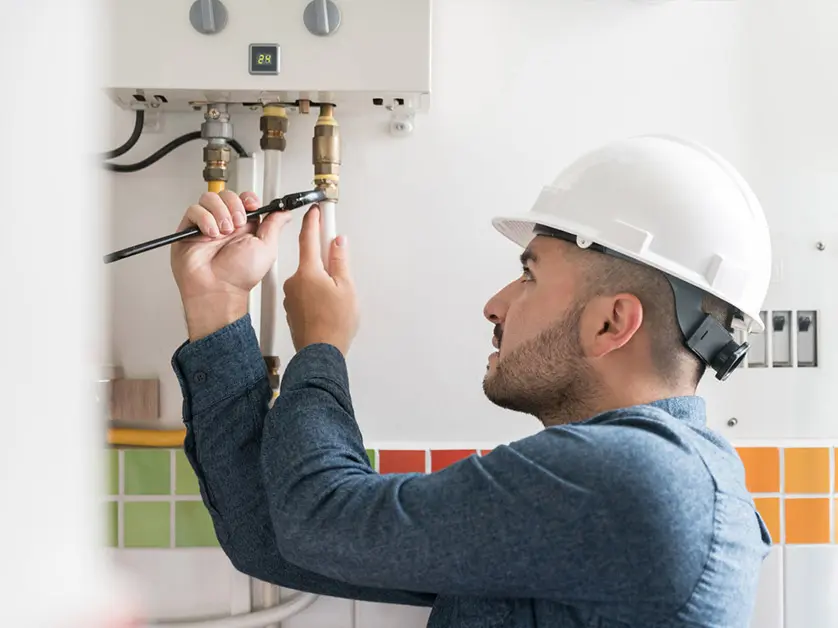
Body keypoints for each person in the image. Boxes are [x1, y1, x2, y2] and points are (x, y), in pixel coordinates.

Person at [169, 135, 773, 627]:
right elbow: (276, 536)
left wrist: (322, 345)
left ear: (612, 321)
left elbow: (320, 521)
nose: (495, 305)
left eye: (529, 276)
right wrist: (217, 306)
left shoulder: (639, 478)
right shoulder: (625, 490)